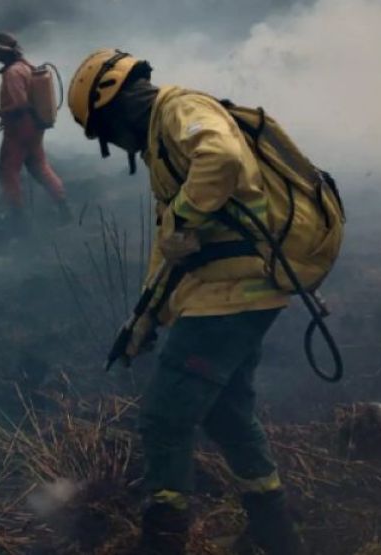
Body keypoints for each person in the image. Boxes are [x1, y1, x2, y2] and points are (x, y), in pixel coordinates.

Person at [67, 49, 304, 555]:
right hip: (236, 293)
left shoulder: (179, 110)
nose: (113, 143)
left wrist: (184, 217)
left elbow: (219, 157)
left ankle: (163, 541)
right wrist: (143, 319)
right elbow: (170, 250)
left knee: (163, 420)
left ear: (115, 106)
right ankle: (275, 534)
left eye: (106, 131)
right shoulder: (164, 142)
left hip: (228, 296)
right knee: (227, 414)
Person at [0, 32, 70, 224]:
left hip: (19, 129)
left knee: (8, 171)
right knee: (39, 166)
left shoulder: (13, 73)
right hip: (35, 127)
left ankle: (17, 219)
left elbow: (21, 105)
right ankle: (63, 208)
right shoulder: (25, 67)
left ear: (3, 52)